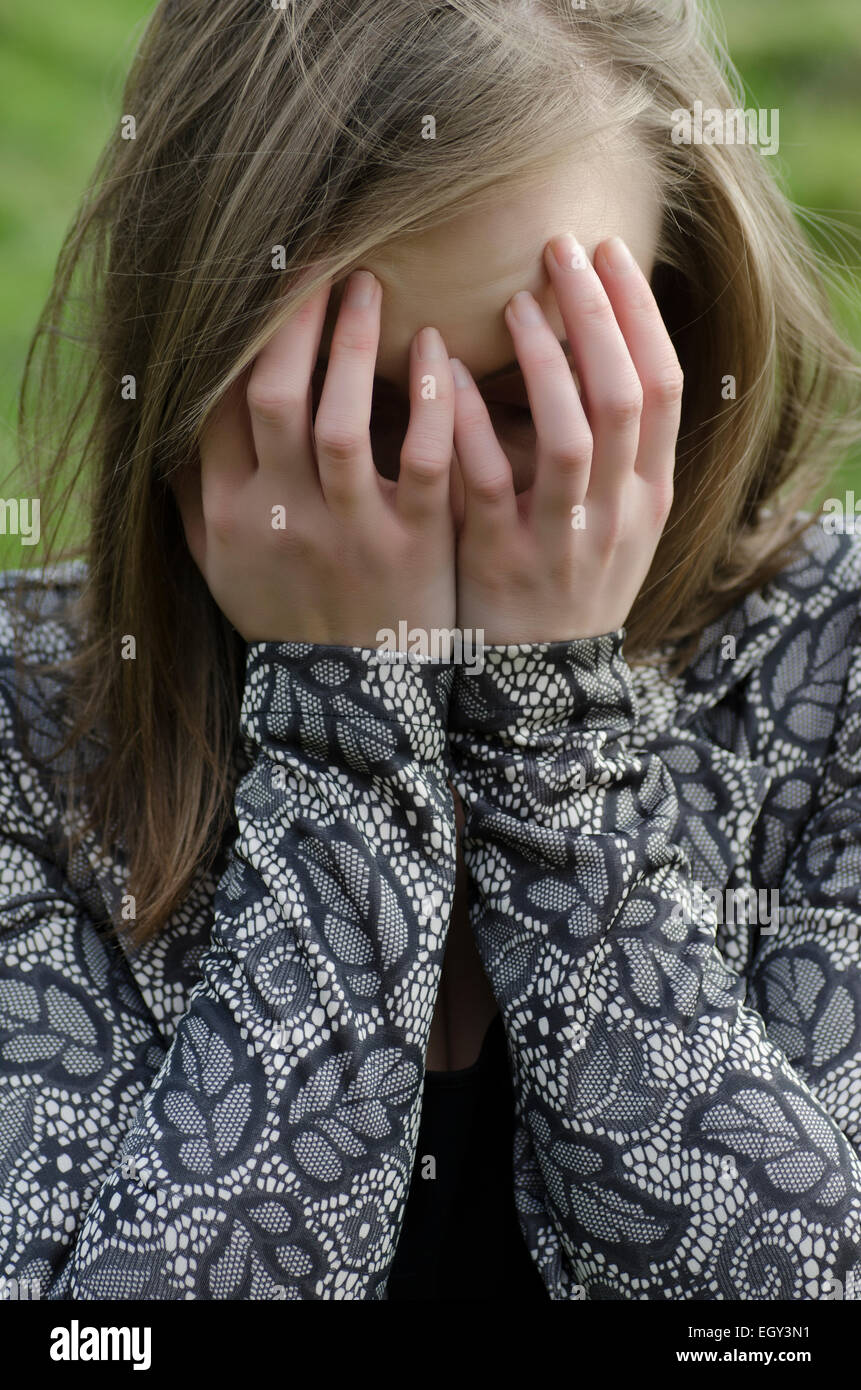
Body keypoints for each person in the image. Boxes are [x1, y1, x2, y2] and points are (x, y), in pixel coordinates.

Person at [1, 0, 860, 1301]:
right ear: (192, 384)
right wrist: (337, 723)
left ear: (682, 334)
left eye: (540, 400)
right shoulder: (24, 716)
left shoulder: (833, 667)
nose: (433, 497)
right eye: (348, 416)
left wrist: (551, 732)